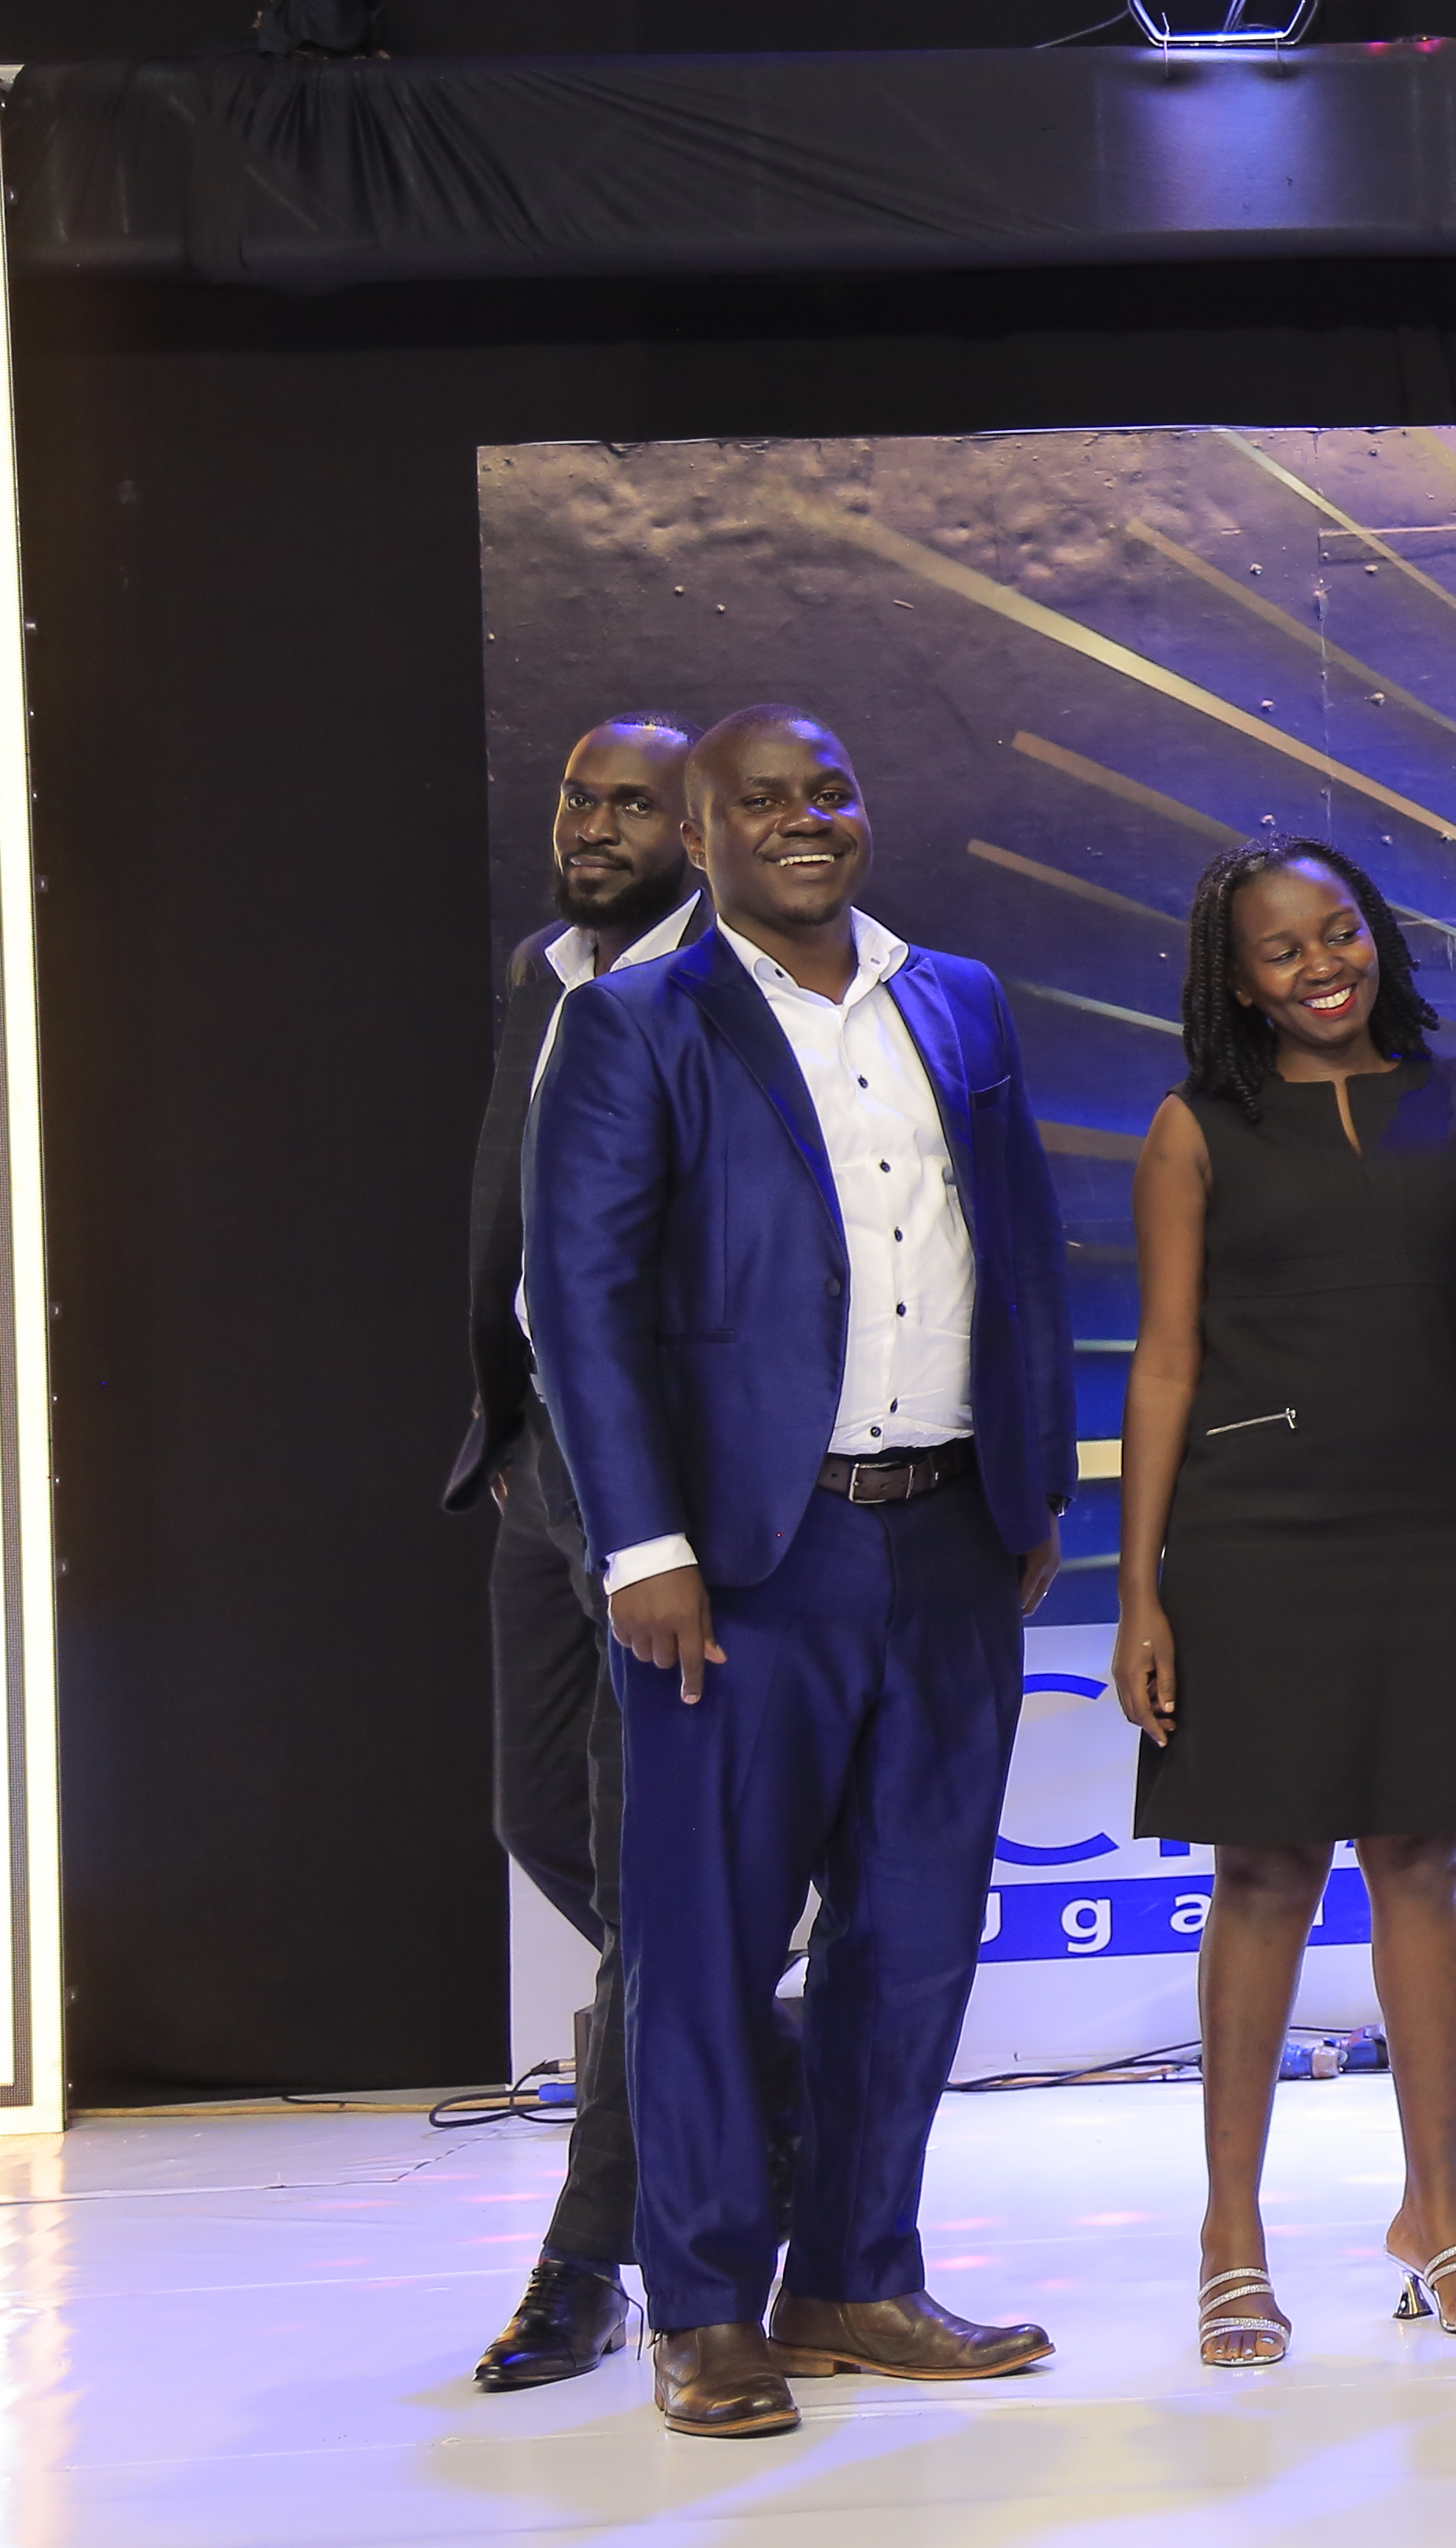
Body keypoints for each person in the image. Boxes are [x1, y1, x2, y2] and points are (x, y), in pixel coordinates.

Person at [526, 707, 1079, 2437]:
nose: (802, 821)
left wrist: (1034, 1482)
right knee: (701, 1944)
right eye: (758, 803)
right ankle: (701, 2303)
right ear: (703, 839)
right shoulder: (637, 1022)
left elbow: (1023, 1253)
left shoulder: (958, 998)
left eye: (828, 789)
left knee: (913, 1938)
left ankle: (852, 2274)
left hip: (948, 1537)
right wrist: (644, 1544)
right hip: (743, 1563)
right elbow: (583, 1307)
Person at [1108, 838, 1456, 2366]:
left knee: (1425, 1864)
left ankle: (1435, 2213)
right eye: (1283, 950)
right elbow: (1165, 1364)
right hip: (1252, 1540)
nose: (1321, 966)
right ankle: (1228, 2233)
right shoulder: (1194, 1129)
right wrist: (1140, 1595)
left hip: (1437, 1528)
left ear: (1376, 936)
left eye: (1340, 933)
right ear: (1235, 978)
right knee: (1260, 1872)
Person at [449, 714, 708, 2391]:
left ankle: (584, 2258)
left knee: (643, 1878)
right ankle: (752, 2060)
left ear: (695, 826)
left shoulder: (720, 989)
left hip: (654, 1488)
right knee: (542, 1820)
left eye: (633, 804)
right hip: (532, 1464)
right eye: (579, 798)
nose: (596, 825)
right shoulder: (546, 970)